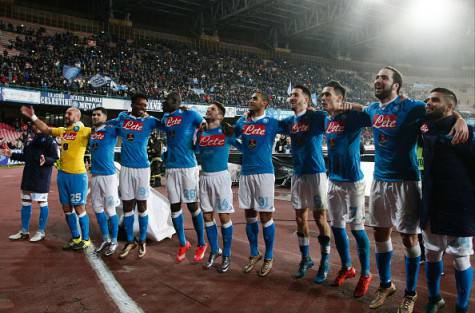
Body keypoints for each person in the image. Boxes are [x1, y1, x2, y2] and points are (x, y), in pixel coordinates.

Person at [349, 66, 468, 313]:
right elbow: (358, 109)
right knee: (380, 235)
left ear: (396, 85)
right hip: (380, 181)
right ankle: (385, 285)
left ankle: (410, 293)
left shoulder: (413, 107)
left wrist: (459, 118)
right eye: (376, 76)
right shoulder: (372, 109)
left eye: (383, 77)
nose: (377, 80)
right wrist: (342, 104)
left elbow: (442, 111)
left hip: (407, 181)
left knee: (408, 238)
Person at [420, 88, 474, 313]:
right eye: (427, 100)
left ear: (449, 106)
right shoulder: (423, 127)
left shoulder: (465, 133)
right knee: (432, 254)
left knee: (461, 258)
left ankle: (461, 305)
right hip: (431, 204)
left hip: (458, 207)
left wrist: (461, 120)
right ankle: (434, 298)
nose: (429, 103)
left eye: (435, 100)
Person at [320, 80, 372, 297]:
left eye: (328, 95)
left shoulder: (352, 117)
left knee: (357, 228)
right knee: (337, 227)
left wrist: (352, 106)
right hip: (334, 181)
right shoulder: (326, 119)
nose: (323, 98)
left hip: (353, 183)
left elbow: (372, 114)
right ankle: (347, 267)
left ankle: (366, 273)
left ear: (340, 99)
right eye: (322, 95)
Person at [20, 106, 92, 250]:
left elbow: (100, 132)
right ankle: (76, 237)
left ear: (77, 116)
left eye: (69, 113)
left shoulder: (85, 130)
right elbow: (46, 129)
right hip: (62, 175)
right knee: (66, 208)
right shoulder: (64, 131)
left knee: (79, 208)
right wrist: (33, 117)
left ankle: (86, 239)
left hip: (77, 175)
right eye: (65, 113)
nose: (66, 115)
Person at [234, 91, 284, 277]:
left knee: (265, 216)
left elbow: (293, 127)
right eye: (251, 97)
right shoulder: (242, 122)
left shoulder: (271, 122)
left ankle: (269, 256)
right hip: (246, 173)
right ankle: (254, 253)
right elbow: (232, 137)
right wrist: (243, 149)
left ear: (265, 102)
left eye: (255, 98)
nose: (250, 100)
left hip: (264, 173)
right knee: (249, 215)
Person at [108, 93, 163, 259]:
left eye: (145, 105)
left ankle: (143, 240)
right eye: (140, 105)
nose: (143, 108)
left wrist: (179, 112)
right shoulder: (122, 118)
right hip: (126, 169)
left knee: (142, 206)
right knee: (127, 207)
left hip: (143, 169)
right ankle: (130, 241)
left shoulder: (150, 120)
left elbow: (168, 126)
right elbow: (108, 124)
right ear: (132, 104)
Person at [161, 92, 208, 262]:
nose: (162, 104)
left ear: (175, 102)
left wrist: (202, 130)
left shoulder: (191, 114)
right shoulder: (165, 117)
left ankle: (202, 243)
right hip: (171, 167)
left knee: (193, 205)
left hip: (188, 166)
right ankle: (183, 243)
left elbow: (204, 125)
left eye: (165, 101)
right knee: (174, 206)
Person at [196, 102, 239, 272]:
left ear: (220, 116)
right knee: (207, 216)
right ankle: (215, 250)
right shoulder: (202, 132)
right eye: (208, 108)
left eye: (213, 109)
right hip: (204, 177)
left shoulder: (226, 132)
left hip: (221, 178)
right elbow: (196, 150)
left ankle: (227, 254)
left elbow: (244, 145)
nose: (208, 110)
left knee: (223, 217)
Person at [3, 124, 58, 242]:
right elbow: (25, 157)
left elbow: (54, 157)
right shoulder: (30, 140)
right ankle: (24, 231)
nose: (35, 126)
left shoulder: (49, 140)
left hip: (41, 177)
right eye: (34, 124)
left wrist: (46, 160)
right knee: (25, 202)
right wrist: (11, 154)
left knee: (42, 202)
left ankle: (41, 232)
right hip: (28, 176)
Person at [89, 107, 120, 256]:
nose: (95, 117)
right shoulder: (92, 133)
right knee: (97, 208)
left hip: (108, 176)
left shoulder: (111, 129)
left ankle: (114, 241)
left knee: (110, 209)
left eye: (98, 115)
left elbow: (124, 121)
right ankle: (106, 239)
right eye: (93, 115)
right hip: (95, 176)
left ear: (105, 117)